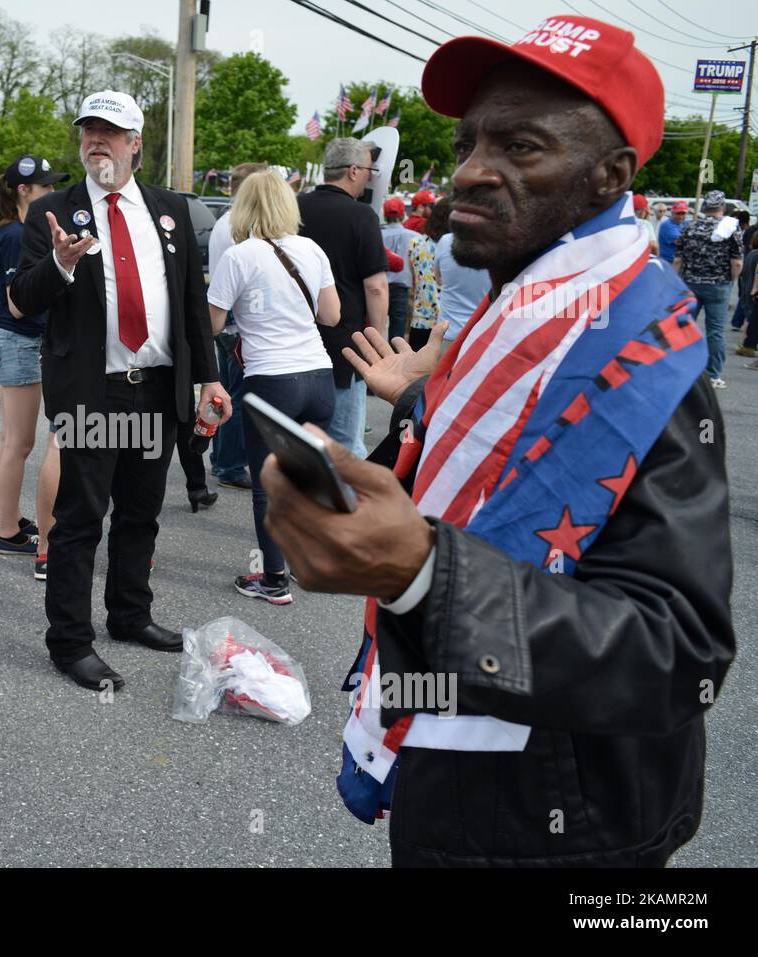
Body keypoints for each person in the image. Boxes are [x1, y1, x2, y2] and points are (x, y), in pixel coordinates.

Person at [260, 15, 733, 868]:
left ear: (609, 177)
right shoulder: (517, 312)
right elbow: (462, 491)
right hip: (458, 769)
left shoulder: (637, 355)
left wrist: (426, 575)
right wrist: (399, 435)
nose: (472, 169)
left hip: (564, 825)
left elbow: (678, 653)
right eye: (469, 139)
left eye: (521, 147)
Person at [9, 90, 229, 692]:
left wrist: (208, 377)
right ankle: (70, 642)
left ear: (136, 143)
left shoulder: (169, 211)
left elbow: (189, 305)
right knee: (81, 519)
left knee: (141, 512)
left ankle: (130, 616)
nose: (97, 141)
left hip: (157, 389)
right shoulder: (53, 211)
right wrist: (59, 265)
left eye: (111, 131)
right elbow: (22, 300)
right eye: (88, 131)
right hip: (92, 393)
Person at [206, 170, 340, 606]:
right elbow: (331, 316)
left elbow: (213, 323)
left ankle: (274, 578)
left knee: (268, 484)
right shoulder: (312, 248)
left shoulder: (239, 256)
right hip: (318, 375)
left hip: (270, 378)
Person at [0, 154, 69, 578]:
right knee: (19, 443)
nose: (52, 193)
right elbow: (20, 306)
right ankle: (8, 531)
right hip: (18, 340)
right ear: (24, 191)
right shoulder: (19, 233)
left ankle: (13, 522)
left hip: (9, 341)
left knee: (12, 442)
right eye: (44, 187)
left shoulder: (11, 230)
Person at [298, 137, 389, 457]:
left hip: (296, 341)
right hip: (345, 347)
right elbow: (375, 286)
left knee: (300, 439)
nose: (372, 177)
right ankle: (349, 506)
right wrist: (377, 339)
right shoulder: (362, 216)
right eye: (369, 170)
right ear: (353, 171)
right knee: (345, 443)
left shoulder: (294, 206)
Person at [207, 162, 268, 491]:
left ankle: (221, 457)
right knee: (239, 396)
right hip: (236, 316)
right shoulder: (240, 226)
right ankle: (230, 463)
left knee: (225, 392)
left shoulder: (225, 222)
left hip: (224, 312)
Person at [673, 189, 745, 389]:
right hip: (718, 284)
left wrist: (674, 282)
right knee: (715, 332)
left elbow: (678, 259)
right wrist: (731, 281)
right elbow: (737, 262)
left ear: (705, 207)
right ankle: (713, 375)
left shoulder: (690, 227)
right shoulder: (731, 229)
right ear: (723, 207)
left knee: (685, 328)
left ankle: (680, 370)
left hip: (690, 283)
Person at [431, 212, 492, 343]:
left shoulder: (445, 241)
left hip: (446, 332)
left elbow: (438, 278)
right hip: (480, 335)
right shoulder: (496, 247)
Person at [406, 198, 451, 351]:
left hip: (420, 319)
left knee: (417, 371)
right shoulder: (455, 247)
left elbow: (415, 277)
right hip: (447, 321)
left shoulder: (415, 243)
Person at [380, 197, 420, 342]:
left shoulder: (376, 234)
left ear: (384, 215)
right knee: (397, 331)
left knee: (375, 328)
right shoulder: (416, 237)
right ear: (403, 215)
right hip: (401, 288)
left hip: (379, 285)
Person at [736, 229, 758, 359]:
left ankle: (748, 344)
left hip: (746, 288)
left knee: (751, 318)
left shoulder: (750, 254)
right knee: (753, 319)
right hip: (753, 289)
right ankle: (749, 344)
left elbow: (742, 273)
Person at [728, 209, 751, 330]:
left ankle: (737, 322)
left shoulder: (745, 232)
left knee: (743, 295)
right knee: (746, 295)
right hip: (748, 265)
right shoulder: (748, 231)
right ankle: (746, 321)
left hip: (744, 263)